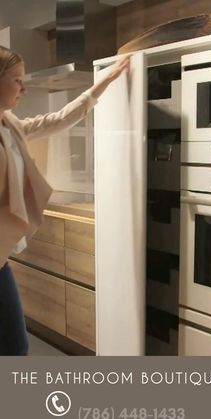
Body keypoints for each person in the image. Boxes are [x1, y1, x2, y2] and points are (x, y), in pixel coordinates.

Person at [0, 45, 130, 355]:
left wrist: (104, 82)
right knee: (14, 347)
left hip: (1, 259)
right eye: (17, 80)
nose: (24, 87)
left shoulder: (9, 125)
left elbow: (56, 120)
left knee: (14, 347)